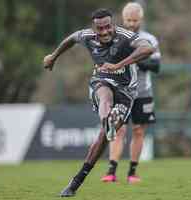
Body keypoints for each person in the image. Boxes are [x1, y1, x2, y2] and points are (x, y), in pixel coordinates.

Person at [43, 8, 154, 197]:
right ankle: (108, 120)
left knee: (103, 138)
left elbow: (148, 48)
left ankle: (76, 181)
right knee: (104, 94)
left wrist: (119, 65)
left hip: (127, 91)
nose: (104, 32)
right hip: (101, 81)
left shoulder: (125, 36)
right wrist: (53, 56)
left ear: (113, 24)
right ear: (94, 28)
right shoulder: (87, 36)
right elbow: (71, 39)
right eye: (99, 28)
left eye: (108, 27)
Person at [101, 2, 161, 184]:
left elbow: (156, 66)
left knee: (138, 131)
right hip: (121, 92)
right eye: (128, 20)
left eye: (135, 20)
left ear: (140, 19)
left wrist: (134, 59)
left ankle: (132, 173)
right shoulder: (115, 38)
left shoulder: (150, 39)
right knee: (119, 130)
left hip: (143, 92)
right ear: (123, 18)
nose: (132, 23)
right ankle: (111, 172)